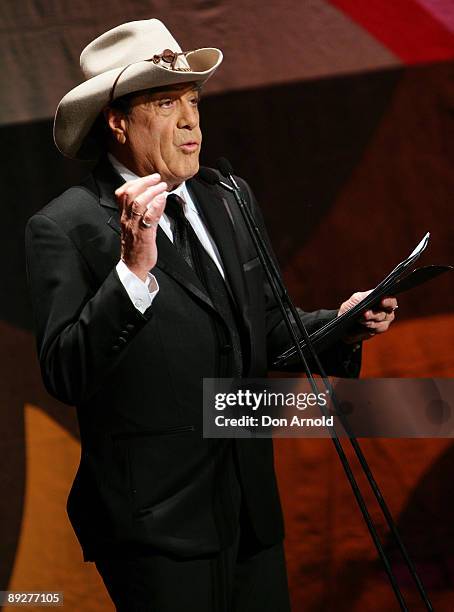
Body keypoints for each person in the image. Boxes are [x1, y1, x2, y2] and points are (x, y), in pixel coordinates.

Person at [25, 18, 397, 612]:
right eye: (166, 101)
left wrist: (344, 321)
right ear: (116, 122)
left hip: (250, 511)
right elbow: (64, 372)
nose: (190, 120)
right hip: (155, 528)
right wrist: (132, 272)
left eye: (194, 100)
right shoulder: (65, 227)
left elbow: (270, 329)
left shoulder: (229, 197)